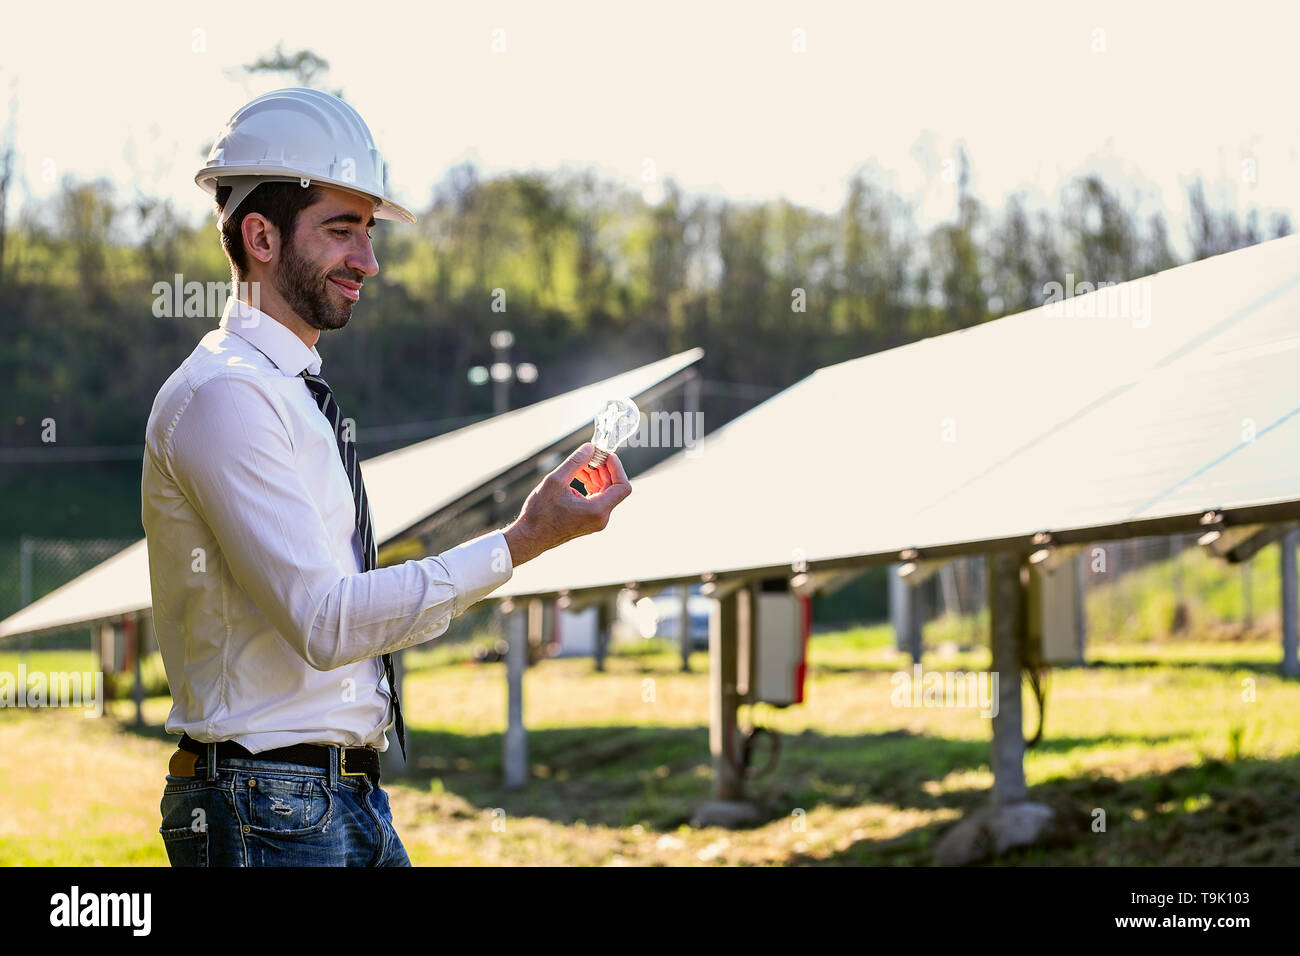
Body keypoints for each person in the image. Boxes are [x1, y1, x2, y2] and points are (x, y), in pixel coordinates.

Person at [141, 88, 630, 866]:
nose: (368, 261)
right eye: (342, 232)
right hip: (268, 804)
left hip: (337, 795)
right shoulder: (227, 396)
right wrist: (521, 541)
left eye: (369, 233)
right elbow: (328, 624)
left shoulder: (289, 394)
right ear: (260, 236)